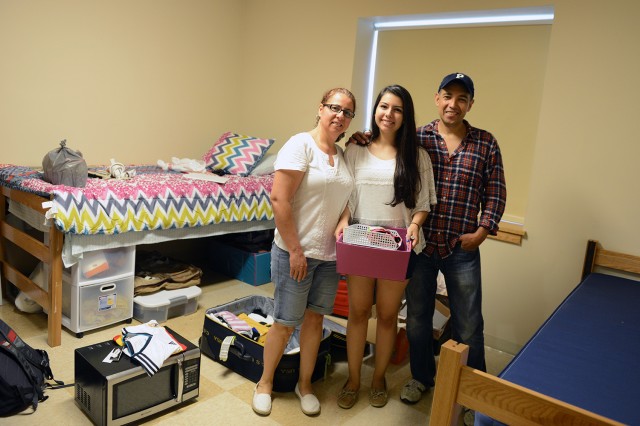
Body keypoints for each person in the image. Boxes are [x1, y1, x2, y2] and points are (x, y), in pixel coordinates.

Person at [350, 73, 506, 419]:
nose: (454, 104)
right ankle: (422, 377)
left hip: (461, 248)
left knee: (468, 324)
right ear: (437, 99)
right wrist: (363, 136)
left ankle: (472, 394)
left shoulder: (485, 143)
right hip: (419, 247)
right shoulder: (417, 139)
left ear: (470, 105)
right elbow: (384, 144)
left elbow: (495, 192)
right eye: (447, 96)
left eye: (462, 98)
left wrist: (483, 231)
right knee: (417, 319)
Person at [252, 88, 356, 417]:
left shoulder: (342, 155)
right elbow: (279, 200)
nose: (340, 116)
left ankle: (305, 383)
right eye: (334, 108)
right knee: (285, 322)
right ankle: (265, 383)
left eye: (347, 112)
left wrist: (344, 222)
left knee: (315, 321)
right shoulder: (301, 145)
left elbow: (345, 202)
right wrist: (296, 250)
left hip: (329, 257)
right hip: (295, 253)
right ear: (321, 108)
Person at [334, 85, 436, 409]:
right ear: (375, 110)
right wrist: (343, 220)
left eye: (397, 109)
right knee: (359, 313)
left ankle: (377, 378)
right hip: (361, 239)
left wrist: (415, 225)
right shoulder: (355, 150)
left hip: (397, 245)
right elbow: (348, 196)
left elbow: (422, 203)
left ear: (405, 117)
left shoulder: (417, 156)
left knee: (389, 316)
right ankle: (353, 379)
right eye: (383, 106)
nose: (388, 114)